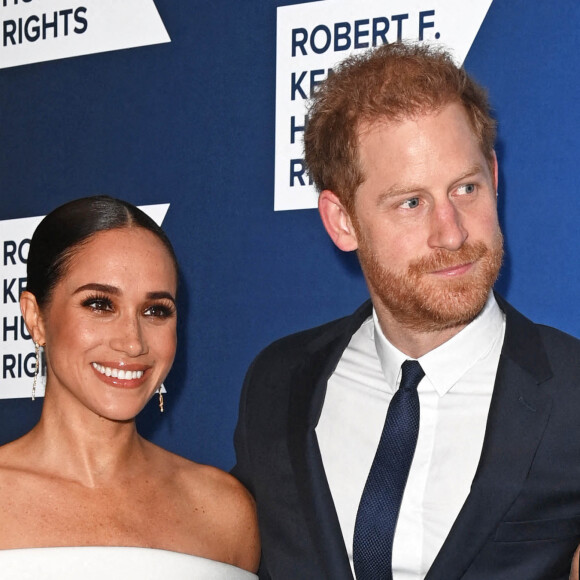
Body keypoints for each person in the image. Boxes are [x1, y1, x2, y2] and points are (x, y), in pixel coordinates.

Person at [233, 43, 580, 579]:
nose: (452, 233)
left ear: (494, 173)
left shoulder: (573, 393)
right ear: (341, 220)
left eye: (466, 188)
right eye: (411, 203)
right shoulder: (278, 386)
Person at [0, 196, 259, 579]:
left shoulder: (224, 511)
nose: (133, 342)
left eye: (155, 310)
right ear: (35, 317)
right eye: (100, 304)